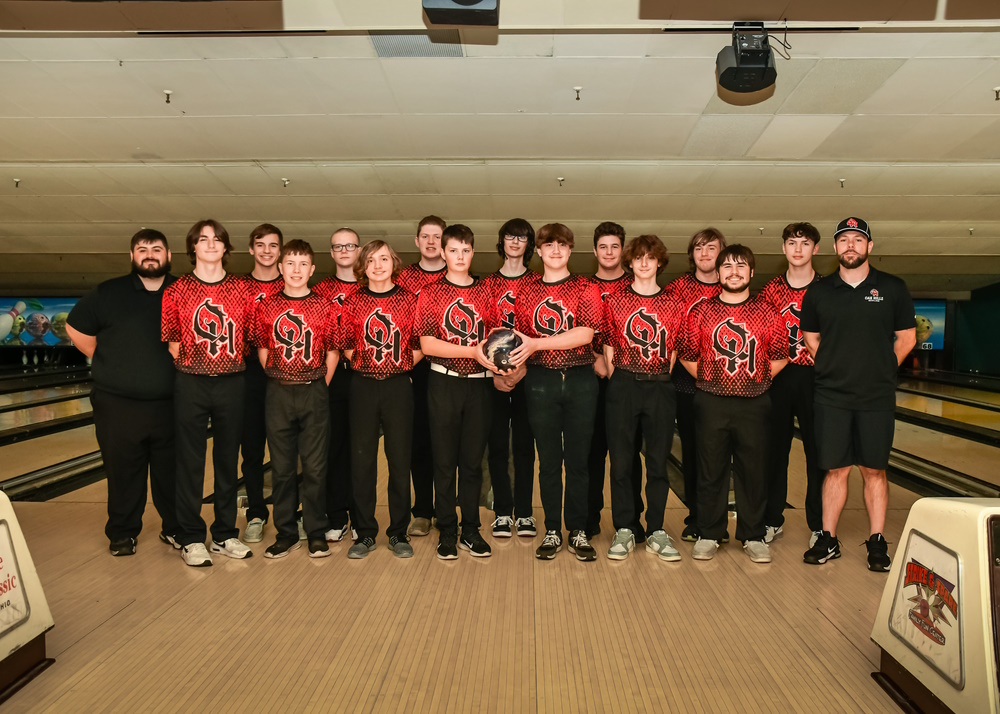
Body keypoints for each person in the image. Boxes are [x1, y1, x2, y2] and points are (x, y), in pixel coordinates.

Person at [801, 217, 916, 571]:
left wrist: (880, 371)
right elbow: (811, 338)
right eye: (844, 239)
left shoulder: (893, 288)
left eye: (857, 239)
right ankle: (828, 538)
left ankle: (877, 540)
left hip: (875, 397)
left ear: (869, 246)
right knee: (834, 469)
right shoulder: (819, 292)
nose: (850, 245)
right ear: (836, 247)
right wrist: (834, 366)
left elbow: (907, 338)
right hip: (831, 395)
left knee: (874, 470)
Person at [66, 228, 179, 557]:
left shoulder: (182, 290)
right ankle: (123, 533)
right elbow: (75, 327)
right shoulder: (108, 292)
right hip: (117, 403)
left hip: (172, 402)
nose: (149, 253)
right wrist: (107, 359)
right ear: (132, 256)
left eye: (156, 248)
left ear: (168, 256)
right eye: (142, 249)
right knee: (122, 472)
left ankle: (174, 528)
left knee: (171, 472)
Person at [678, 244, 787, 564]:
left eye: (741, 266)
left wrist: (755, 379)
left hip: (755, 402)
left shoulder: (768, 311)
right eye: (728, 266)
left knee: (753, 470)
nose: (734, 272)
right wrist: (714, 380)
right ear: (718, 273)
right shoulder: (701, 312)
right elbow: (686, 354)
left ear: (751, 272)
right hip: (710, 401)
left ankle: (753, 535)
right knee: (710, 469)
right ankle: (710, 532)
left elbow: (780, 355)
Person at [507, 223, 602, 562]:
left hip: (579, 380)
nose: (556, 251)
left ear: (570, 250)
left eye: (562, 245)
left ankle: (576, 530)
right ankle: (551, 529)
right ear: (540, 251)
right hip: (540, 381)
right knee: (548, 461)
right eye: (549, 245)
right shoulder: (527, 291)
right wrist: (510, 371)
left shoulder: (585, 287)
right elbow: (520, 342)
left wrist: (536, 343)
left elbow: (585, 335)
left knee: (577, 461)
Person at [161, 219, 253, 567]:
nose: (211, 244)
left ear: (226, 248)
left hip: (232, 382)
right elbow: (173, 343)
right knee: (190, 461)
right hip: (191, 383)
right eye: (203, 239)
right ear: (193, 249)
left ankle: (225, 533)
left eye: (217, 239)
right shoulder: (177, 289)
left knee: (228, 460)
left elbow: (247, 337)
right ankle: (190, 537)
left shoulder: (242, 289)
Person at [417, 224, 501, 559]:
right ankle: (447, 530)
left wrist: (498, 364)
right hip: (443, 383)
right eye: (454, 250)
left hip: (479, 385)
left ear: (473, 252)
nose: (460, 256)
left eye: (466, 251)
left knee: (470, 463)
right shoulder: (430, 293)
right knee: (444, 461)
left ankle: (470, 529)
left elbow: (495, 339)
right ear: (443, 252)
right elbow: (427, 343)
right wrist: (473, 352)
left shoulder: (487, 292)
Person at [252, 240, 339, 559]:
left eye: (303, 264)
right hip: (278, 392)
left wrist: (319, 384)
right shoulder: (267, 306)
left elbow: (332, 350)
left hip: (314, 390)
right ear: (280, 268)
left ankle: (315, 531)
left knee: (315, 468)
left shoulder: (325, 306)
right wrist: (281, 377)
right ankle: (286, 532)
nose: (296, 270)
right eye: (290, 264)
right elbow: (263, 350)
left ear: (312, 270)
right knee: (283, 468)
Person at [601, 235, 685, 561]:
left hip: (660, 385)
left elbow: (675, 349)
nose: (645, 263)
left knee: (658, 463)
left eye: (651, 257)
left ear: (659, 262)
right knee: (621, 462)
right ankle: (625, 527)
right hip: (623, 384)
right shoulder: (616, 301)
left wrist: (657, 376)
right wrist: (622, 378)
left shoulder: (674, 303)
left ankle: (656, 530)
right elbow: (608, 346)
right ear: (631, 263)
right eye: (639, 258)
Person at [341, 241, 423, 559]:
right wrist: (369, 366)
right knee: (362, 463)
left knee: (400, 462)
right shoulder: (353, 301)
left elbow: (420, 343)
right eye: (371, 260)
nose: (378, 265)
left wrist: (398, 366)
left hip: (399, 386)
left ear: (394, 262)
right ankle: (364, 533)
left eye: (384, 258)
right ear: (363, 266)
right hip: (362, 386)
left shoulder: (408, 300)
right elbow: (347, 345)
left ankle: (398, 532)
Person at [758, 222, 824, 548]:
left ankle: (820, 524)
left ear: (815, 249)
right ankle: (772, 519)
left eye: (805, 243)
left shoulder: (828, 289)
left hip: (817, 379)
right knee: (774, 452)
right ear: (783, 249)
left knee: (818, 453)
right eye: (792, 243)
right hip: (779, 376)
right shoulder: (770, 291)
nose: (798, 249)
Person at [667, 228, 726, 542]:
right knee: (691, 453)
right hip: (686, 386)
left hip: (726, 389)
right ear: (692, 254)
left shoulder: (731, 285)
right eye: (699, 248)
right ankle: (696, 518)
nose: (705, 253)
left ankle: (716, 519)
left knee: (718, 454)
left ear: (722, 253)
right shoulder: (677, 289)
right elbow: (671, 334)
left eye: (711, 248)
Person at [481, 218, 538, 538]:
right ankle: (503, 511)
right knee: (498, 445)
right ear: (501, 241)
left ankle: (526, 513)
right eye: (509, 236)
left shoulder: (538, 283)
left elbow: (543, 332)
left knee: (525, 447)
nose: (515, 242)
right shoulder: (487, 284)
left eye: (522, 237)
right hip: (493, 377)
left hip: (529, 375)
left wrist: (523, 369)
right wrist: (494, 372)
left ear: (528, 244)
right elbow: (480, 333)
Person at [586, 221, 644, 540]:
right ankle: (590, 517)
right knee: (593, 452)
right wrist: (595, 358)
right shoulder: (584, 287)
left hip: (628, 381)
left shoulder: (637, 285)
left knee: (628, 453)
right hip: (592, 381)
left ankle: (632, 519)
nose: (609, 252)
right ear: (595, 250)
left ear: (623, 251)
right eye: (603, 246)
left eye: (615, 246)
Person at [397, 215, 447, 538]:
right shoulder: (402, 279)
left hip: (449, 368)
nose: (431, 242)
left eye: (436, 237)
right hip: (412, 369)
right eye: (425, 237)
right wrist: (404, 367)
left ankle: (446, 510)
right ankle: (423, 512)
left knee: (446, 442)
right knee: (418, 442)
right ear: (416, 242)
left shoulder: (457, 276)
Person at [313, 227, 362, 543]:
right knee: (333, 449)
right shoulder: (319, 292)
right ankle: (335, 516)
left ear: (359, 251)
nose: (344, 250)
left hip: (363, 375)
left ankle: (360, 516)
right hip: (331, 376)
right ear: (331, 253)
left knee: (361, 449)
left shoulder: (371, 286)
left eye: (350, 245)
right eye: (338, 246)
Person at [237, 223, 284, 544]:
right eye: (261, 245)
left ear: (281, 252)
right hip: (248, 376)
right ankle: (255, 513)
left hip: (286, 377)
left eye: (273, 245)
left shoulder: (294, 284)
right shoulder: (237, 288)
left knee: (288, 453)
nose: (267, 250)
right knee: (252, 452)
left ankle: (291, 513)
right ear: (251, 249)